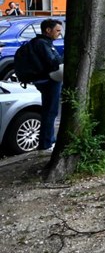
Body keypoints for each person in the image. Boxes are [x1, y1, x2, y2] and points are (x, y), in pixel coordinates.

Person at [19, 19, 63, 153]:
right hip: (48, 80)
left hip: (44, 79)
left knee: (50, 111)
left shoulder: (39, 42)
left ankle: (48, 141)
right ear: (48, 30)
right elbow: (53, 62)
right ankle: (47, 143)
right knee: (50, 112)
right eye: (57, 31)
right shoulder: (43, 44)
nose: (59, 34)